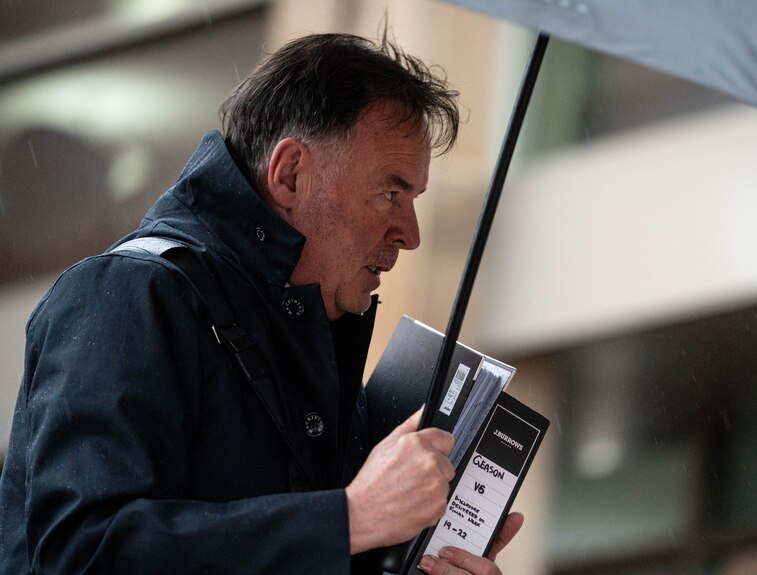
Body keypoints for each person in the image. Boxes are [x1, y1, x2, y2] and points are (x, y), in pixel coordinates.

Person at [0, 32, 523, 574]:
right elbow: (81, 555)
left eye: (412, 200)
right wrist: (349, 518)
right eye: (390, 194)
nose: (408, 233)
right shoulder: (131, 293)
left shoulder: (312, 343)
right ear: (291, 173)